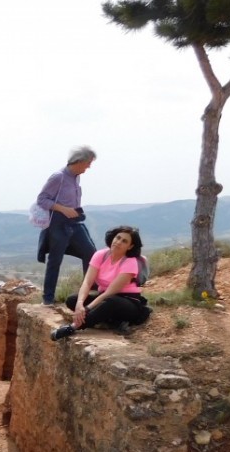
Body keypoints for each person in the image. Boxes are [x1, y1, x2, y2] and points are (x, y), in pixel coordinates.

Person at [51, 225, 151, 341]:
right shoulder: (101, 255)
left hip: (127, 302)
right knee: (72, 300)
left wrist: (86, 309)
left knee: (110, 302)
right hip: (104, 298)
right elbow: (87, 282)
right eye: (118, 238)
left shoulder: (130, 262)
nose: (118, 242)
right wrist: (79, 304)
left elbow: (109, 293)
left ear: (130, 246)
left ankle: (72, 328)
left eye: (124, 241)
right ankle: (111, 320)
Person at [36, 146, 98, 306]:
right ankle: (48, 298)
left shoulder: (76, 177)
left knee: (91, 253)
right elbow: (42, 199)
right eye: (88, 163)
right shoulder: (58, 177)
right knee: (55, 259)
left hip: (75, 222)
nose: (89, 166)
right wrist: (63, 209)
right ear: (79, 161)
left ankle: (90, 293)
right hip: (58, 222)